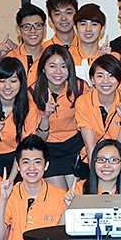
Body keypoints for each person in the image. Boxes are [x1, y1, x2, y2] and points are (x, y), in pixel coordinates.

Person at [74, 55, 121, 183]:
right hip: (93, 158)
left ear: (119, 80)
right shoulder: (83, 102)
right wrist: (96, 177)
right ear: (92, 79)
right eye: (100, 76)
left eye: (111, 76)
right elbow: (90, 145)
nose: (106, 81)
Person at [30, 45, 85, 190]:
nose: (58, 72)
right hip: (49, 149)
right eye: (52, 66)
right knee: (60, 196)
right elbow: (39, 139)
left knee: (76, 194)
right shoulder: (32, 93)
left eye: (63, 66)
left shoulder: (80, 87)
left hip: (75, 147)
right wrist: (45, 116)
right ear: (43, 68)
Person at [7, 3, 49, 77]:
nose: (32, 30)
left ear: (45, 29)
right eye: (27, 26)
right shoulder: (10, 57)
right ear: (19, 30)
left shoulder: (50, 56)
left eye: (37, 25)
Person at [69, 3, 109, 74]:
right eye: (83, 24)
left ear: (102, 29)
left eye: (94, 24)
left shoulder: (113, 57)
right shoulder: (66, 58)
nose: (88, 29)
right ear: (75, 29)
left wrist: (109, 61)